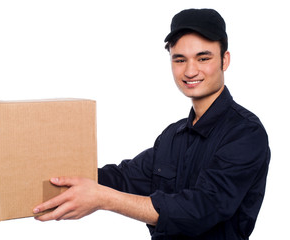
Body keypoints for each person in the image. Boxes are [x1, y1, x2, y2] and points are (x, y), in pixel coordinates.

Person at [33, 8, 270, 240]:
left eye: (203, 58)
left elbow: (200, 210)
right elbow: (123, 178)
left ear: (224, 60)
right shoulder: (172, 136)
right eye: (180, 59)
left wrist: (103, 199)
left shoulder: (246, 133)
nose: (190, 70)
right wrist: (53, 180)